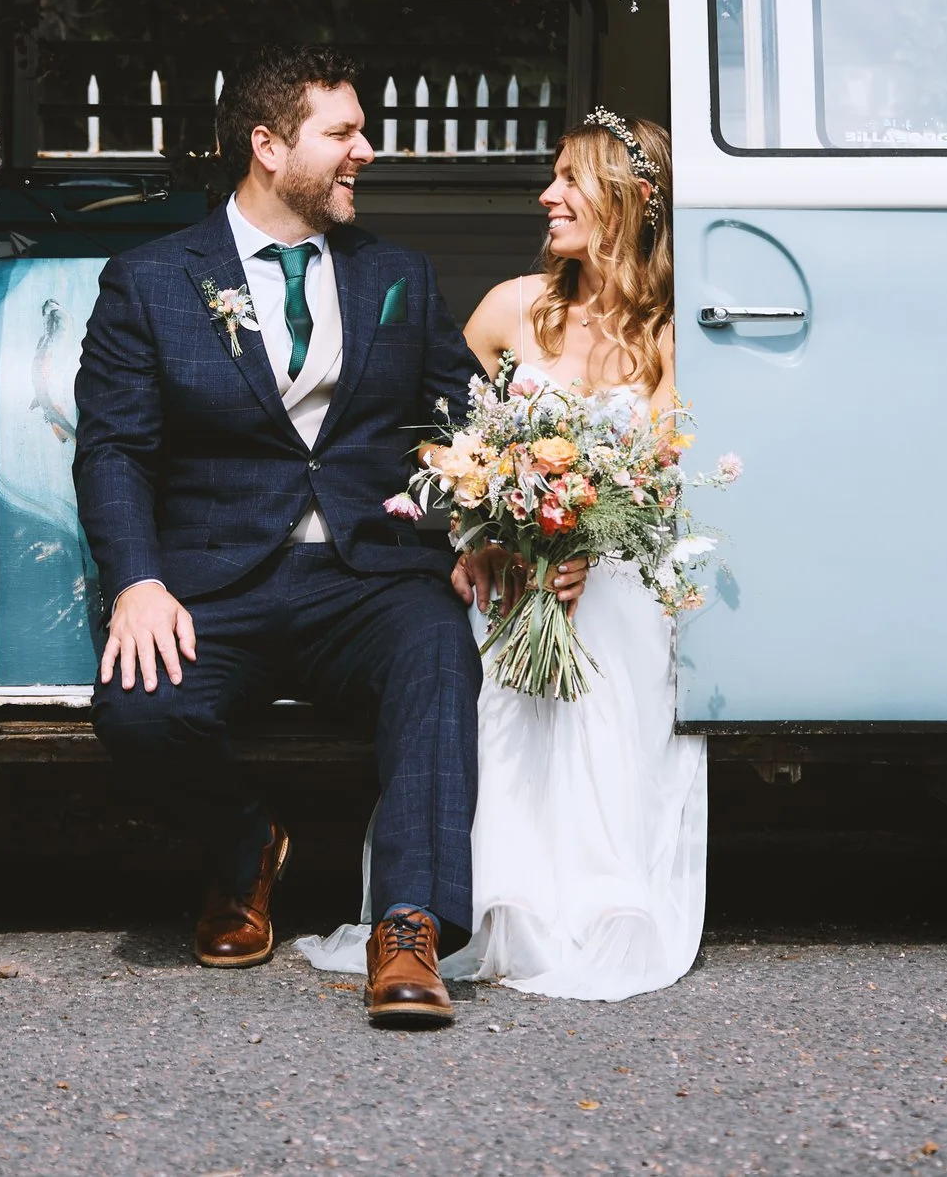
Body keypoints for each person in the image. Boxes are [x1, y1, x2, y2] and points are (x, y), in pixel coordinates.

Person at [73, 44, 489, 1028]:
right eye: (342, 133)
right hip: (215, 578)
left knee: (438, 651)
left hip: (369, 575)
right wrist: (137, 581)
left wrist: (487, 523)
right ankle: (245, 845)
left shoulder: (399, 274)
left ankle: (409, 928)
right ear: (267, 145)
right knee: (139, 708)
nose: (367, 151)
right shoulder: (150, 280)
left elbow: (474, 412)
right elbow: (113, 450)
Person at [300, 109, 708, 1001]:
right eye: (552, 176)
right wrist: (482, 532)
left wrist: (587, 546)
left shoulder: (675, 340)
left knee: (616, 617)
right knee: (489, 631)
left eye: (570, 179)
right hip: (511, 575)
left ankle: (607, 891)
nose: (547, 194)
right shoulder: (511, 308)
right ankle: (501, 890)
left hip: (617, 579)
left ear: (632, 202)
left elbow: (666, 487)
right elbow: (439, 443)